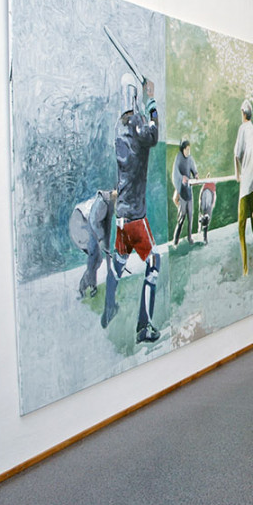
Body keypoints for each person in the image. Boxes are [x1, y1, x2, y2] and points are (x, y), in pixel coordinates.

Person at [102, 74, 161, 343]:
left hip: (121, 215)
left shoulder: (119, 126)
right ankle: (143, 327)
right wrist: (152, 103)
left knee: (119, 261)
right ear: (134, 96)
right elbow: (153, 135)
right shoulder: (137, 122)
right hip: (136, 216)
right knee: (154, 262)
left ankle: (108, 308)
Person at [234, 98, 253, 275]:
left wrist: (238, 174)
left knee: (241, 228)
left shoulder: (243, 129)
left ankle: (245, 269)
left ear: (243, 114)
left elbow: (236, 155)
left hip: (245, 187)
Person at [69, 189, 116, 299]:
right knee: (94, 257)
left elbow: (104, 226)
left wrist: (104, 243)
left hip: (87, 224)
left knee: (97, 259)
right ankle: (86, 287)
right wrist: (101, 238)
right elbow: (94, 222)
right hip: (80, 222)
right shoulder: (102, 202)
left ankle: (89, 285)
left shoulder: (109, 204)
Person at [171, 139, 199, 246]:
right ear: (183, 149)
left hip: (189, 190)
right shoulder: (178, 158)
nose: (188, 152)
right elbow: (175, 173)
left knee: (190, 215)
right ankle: (175, 240)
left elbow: (193, 168)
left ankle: (190, 237)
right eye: (186, 149)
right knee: (181, 216)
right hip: (181, 191)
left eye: (189, 150)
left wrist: (196, 174)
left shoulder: (190, 158)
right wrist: (181, 178)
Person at [198, 180, 216, 245]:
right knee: (207, 216)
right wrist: (213, 203)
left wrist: (200, 200)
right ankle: (204, 237)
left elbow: (202, 190)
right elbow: (214, 193)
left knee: (203, 214)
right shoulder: (212, 184)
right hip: (208, 193)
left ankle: (201, 232)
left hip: (205, 192)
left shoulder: (208, 184)